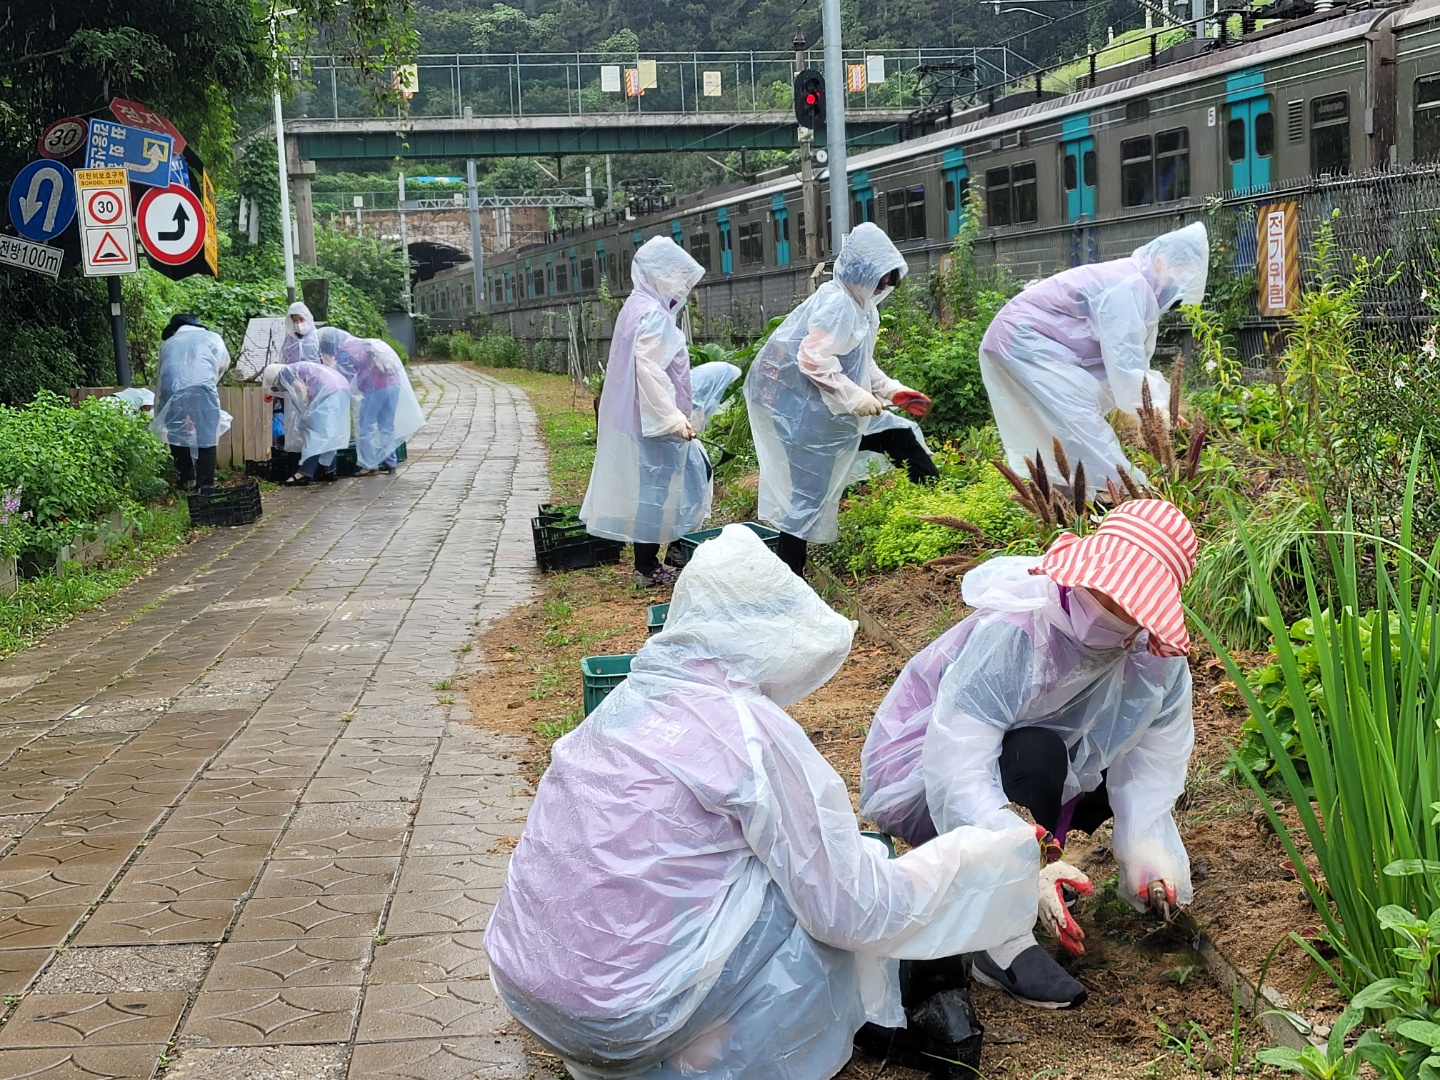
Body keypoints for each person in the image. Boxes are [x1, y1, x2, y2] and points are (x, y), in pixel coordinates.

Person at [486, 524, 1042, 1080]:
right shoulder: (746, 732)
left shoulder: (628, 705)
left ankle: (693, 1037)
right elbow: (850, 907)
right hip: (633, 1016)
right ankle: (717, 1045)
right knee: (802, 895)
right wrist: (995, 852)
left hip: (533, 992)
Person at [858, 498, 1198, 1010]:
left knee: (1084, 761)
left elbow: (1152, 767)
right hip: (941, 777)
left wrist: (1149, 856)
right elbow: (958, 764)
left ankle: (1049, 858)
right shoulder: (1019, 634)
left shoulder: (1157, 661)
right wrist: (1016, 853)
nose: (1109, 607)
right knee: (1036, 751)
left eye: (1130, 604)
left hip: (1055, 770)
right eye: (1104, 589)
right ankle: (998, 941)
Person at [746, 222, 934, 578]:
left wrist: (892, 391)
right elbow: (812, 358)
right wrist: (855, 396)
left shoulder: (860, 306)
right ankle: (791, 581)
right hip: (808, 419)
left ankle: (939, 509)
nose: (883, 287)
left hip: (835, 413)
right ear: (862, 271)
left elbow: (859, 359)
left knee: (901, 436)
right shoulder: (837, 305)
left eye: (887, 282)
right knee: (806, 500)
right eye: (880, 279)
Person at [979, 223, 1209, 498]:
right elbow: (1125, 365)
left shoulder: (1132, 283)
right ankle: (1131, 502)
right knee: (1081, 427)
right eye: (1177, 276)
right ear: (1160, 262)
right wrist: (1159, 407)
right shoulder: (1128, 287)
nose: (1174, 288)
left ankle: (1067, 511)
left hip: (1020, 342)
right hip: (1024, 343)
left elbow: (1121, 363)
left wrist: (1160, 407)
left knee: (1056, 433)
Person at [580, 236, 711, 588]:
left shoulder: (638, 305)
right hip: (654, 420)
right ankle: (649, 565)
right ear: (658, 274)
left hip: (645, 417)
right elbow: (649, 370)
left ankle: (662, 557)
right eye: (676, 276)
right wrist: (672, 419)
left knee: (666, 485)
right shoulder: (652, 314)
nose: (681, 285)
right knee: (664, 488)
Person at [316, 327, 425, 474]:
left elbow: (342, 381)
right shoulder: (361, 344)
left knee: (365, 425)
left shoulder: (344, 353)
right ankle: (390, 461)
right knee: (386, 425)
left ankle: (369, 464)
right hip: (394, 384)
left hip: (377, 387)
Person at [152, 314, 231, 492]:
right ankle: (205, 486)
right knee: (207, 436)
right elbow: (223, 364)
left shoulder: (168, 344)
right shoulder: (213, 337)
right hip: (203, 391)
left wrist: (161, 410)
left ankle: (186, 478)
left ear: (174, 329)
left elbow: (164, 376)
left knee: (176, 434)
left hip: (173, 391)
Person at [260, 361, 351, 486]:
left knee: (315, 433)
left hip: (328, 390)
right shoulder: (294, 368)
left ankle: (304, 474)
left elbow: (301, 389)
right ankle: (329, 470)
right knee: (328, 433)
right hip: (340, 386)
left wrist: (306, 409)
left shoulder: (285, 373)